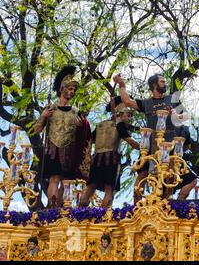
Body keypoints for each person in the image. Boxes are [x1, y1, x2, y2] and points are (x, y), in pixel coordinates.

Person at [113, 74, 188, 203]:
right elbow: (127, 102)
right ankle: (138, 207)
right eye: (162, 81)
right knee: (144, 175)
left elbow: (186, 116)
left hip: (170, 145)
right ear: (154, 85)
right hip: (152, 146)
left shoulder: (173, 99)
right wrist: (122, 85)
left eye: (165, 81)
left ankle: (167, 204)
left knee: (169, 176)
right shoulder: (146, 103)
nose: (165, 83)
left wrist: (176, 115)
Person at [34, 65, 92, 208]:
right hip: (53, 148)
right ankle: (51, 206)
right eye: (70, 88)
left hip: (70, 150)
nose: (72, 92)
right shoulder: (50, 108)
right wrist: (42, 116)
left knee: (67, 182)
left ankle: (60, 207)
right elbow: (37, 130)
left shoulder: (76, 111)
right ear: (62, 89)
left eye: (74, 89)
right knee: (54, 178)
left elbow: (84, 131)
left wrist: (81, 127)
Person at [80, 97, 139, 208]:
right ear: (120, 113)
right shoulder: (120, 125)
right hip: (111, 160)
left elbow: (89, 142)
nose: (130, 118)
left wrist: (87, 158)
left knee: (90, 188)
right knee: (109, 190)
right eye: (129, 115)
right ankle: (104, 219)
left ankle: (79, 214)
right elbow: (131, 142)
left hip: (96, 159)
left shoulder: (100, 125)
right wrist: (144, 148)